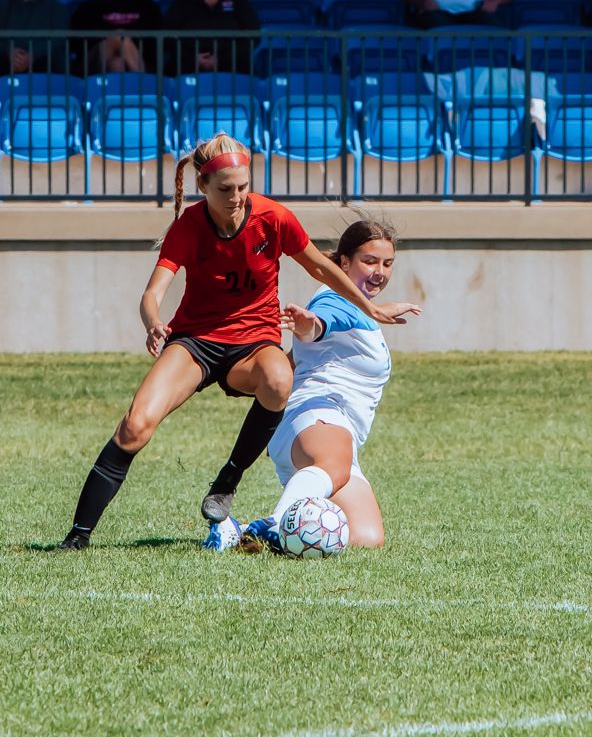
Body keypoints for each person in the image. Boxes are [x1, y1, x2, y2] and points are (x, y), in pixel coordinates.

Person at [58, 135, 404, 551]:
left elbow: (321, 269)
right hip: (196, 342)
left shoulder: (273, 218)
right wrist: (153, 323)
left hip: (254, 344)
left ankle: (226, 483)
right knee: (135, 426)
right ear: (203, 186)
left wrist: (370, 307)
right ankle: (78, 536)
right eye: (225, 189)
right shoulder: (189, 227)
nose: (237, 197)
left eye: (243, 186)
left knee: (279, 379)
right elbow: (152, 293)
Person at [205, 219, 421, 553]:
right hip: (318, 419)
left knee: (366, 538)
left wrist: (379, 312)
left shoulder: (357, 305)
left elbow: (308, 351)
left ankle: (239, 530)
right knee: (333, 465)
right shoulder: (333, 297)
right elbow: (320, 323)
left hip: (327, 435)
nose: (380, 272)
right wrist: (309, 326)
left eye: (387, 263)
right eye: (369, 261)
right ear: (344, 263)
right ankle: (275, 524)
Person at [163, 0, 260, 75]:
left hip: (232, 67)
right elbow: (167, 34)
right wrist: (192, 58)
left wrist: (221, 59)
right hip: (187, 66)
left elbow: (253, 37)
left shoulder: (240, 0)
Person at [70, 0, 162, 73]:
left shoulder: (148, 7)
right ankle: (144, 82)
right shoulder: (88, 7)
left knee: (117, 63)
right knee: (119, 36)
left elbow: (158, 43)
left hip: (139, 58)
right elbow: (75, 43)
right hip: (96, 62)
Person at [0, 0, 68, 74]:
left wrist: (33, 55)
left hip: (45, 69)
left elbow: (59, 38)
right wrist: (8, 51)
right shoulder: (2, 6)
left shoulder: (57, 8)